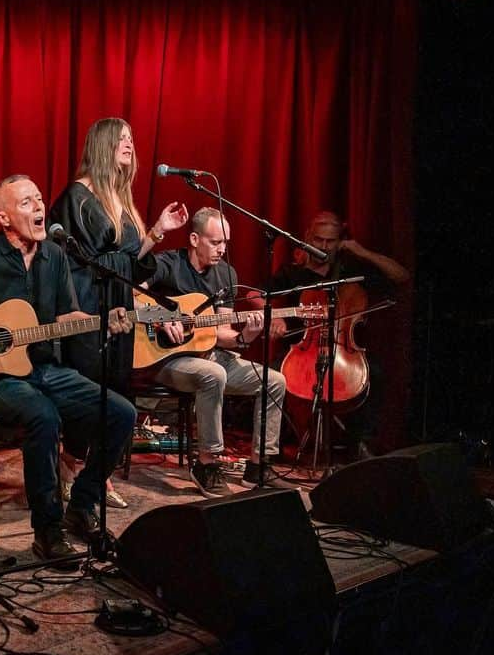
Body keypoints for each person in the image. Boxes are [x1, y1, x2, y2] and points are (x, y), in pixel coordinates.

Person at [0, 174, 137, 565]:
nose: (38, 208)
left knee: (121, 412)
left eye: (38, 199)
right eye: (26, 203)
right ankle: (47, 530)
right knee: (43, 416)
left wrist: (103, 319)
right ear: (2, 216)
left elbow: (67, 314)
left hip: (44, 369)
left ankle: (81, 506)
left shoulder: (55, 256)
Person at [49, 118, 188, 508]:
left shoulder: (120, 199)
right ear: (103, 144)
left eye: (131, 137)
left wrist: (158, 230)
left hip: (120, 306)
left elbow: (129, 260)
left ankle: (95, 474)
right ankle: (70, 464)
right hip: (91, 309)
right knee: (90, 394)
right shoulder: (77, 196)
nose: (129, 144)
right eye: (121, 139)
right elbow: (72, 266)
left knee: (116, 391)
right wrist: (92, 313)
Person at [147, 207, 287, 496]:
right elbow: (130, 295)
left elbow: (222, 332)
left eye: (226, 243)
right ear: (195, 239)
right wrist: (160, 317)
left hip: (211, 354)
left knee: (274, 381)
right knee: (213, 374)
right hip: (167, 358)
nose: (222, 249)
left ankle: (259, 466)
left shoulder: (226, 273)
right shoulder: (167, 264)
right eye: (215, 242)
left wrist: (245, 336)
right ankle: (207, 463)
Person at [269, 210, 410, 457]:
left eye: (330, 241)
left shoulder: (352, 270)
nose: (323, 246)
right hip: (301, 351)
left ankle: (361, 442)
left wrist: (362, 252)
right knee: (271, 374)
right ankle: (274, 445)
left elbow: (401, 276)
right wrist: (276, 316)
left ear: (340, 242)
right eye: (318, 240)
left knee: (373, 375)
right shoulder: (293, 273)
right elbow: (255, 295)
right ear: (307, 238)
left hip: (344, 350)